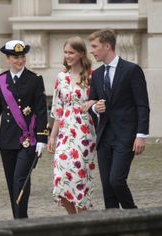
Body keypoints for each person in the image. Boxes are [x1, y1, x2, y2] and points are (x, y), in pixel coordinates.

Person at [0, 40, 48, 218]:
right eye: (15, 57)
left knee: (20, 180)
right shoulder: (1, 80)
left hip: (28, 139)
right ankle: (17, 220)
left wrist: (42, 138)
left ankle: (21, 219)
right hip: (7, 140)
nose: (20, 60)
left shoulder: (35, 80)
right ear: (8, 58)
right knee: (12, 183)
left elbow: (42, 111)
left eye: (22, 56)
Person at [88, 29, 150, 209]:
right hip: (104, 137)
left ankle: (136, 217)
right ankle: (113, 227)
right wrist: (94, 108)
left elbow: (142, 105)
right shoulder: (97, 74)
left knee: (116, 181)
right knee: (108, 188)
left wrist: (141, 135)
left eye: (94, 46)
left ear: (107, 46)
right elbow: (92, 102)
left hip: (126, 136)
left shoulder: (132, 70)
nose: (91, 50)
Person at [47, 36, 97, 214]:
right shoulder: (61, 77)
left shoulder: (93, 76)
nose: (67, 56)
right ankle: (74, 220)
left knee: (79, 179)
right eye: (66, 52)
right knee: (60, 179)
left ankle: (84, 221)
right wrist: (52, 136)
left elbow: (101, 100)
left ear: (81, 53)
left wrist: (93, 103)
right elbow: (57, 109)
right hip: (64, 133)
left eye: (71, 52)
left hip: (84, 133)